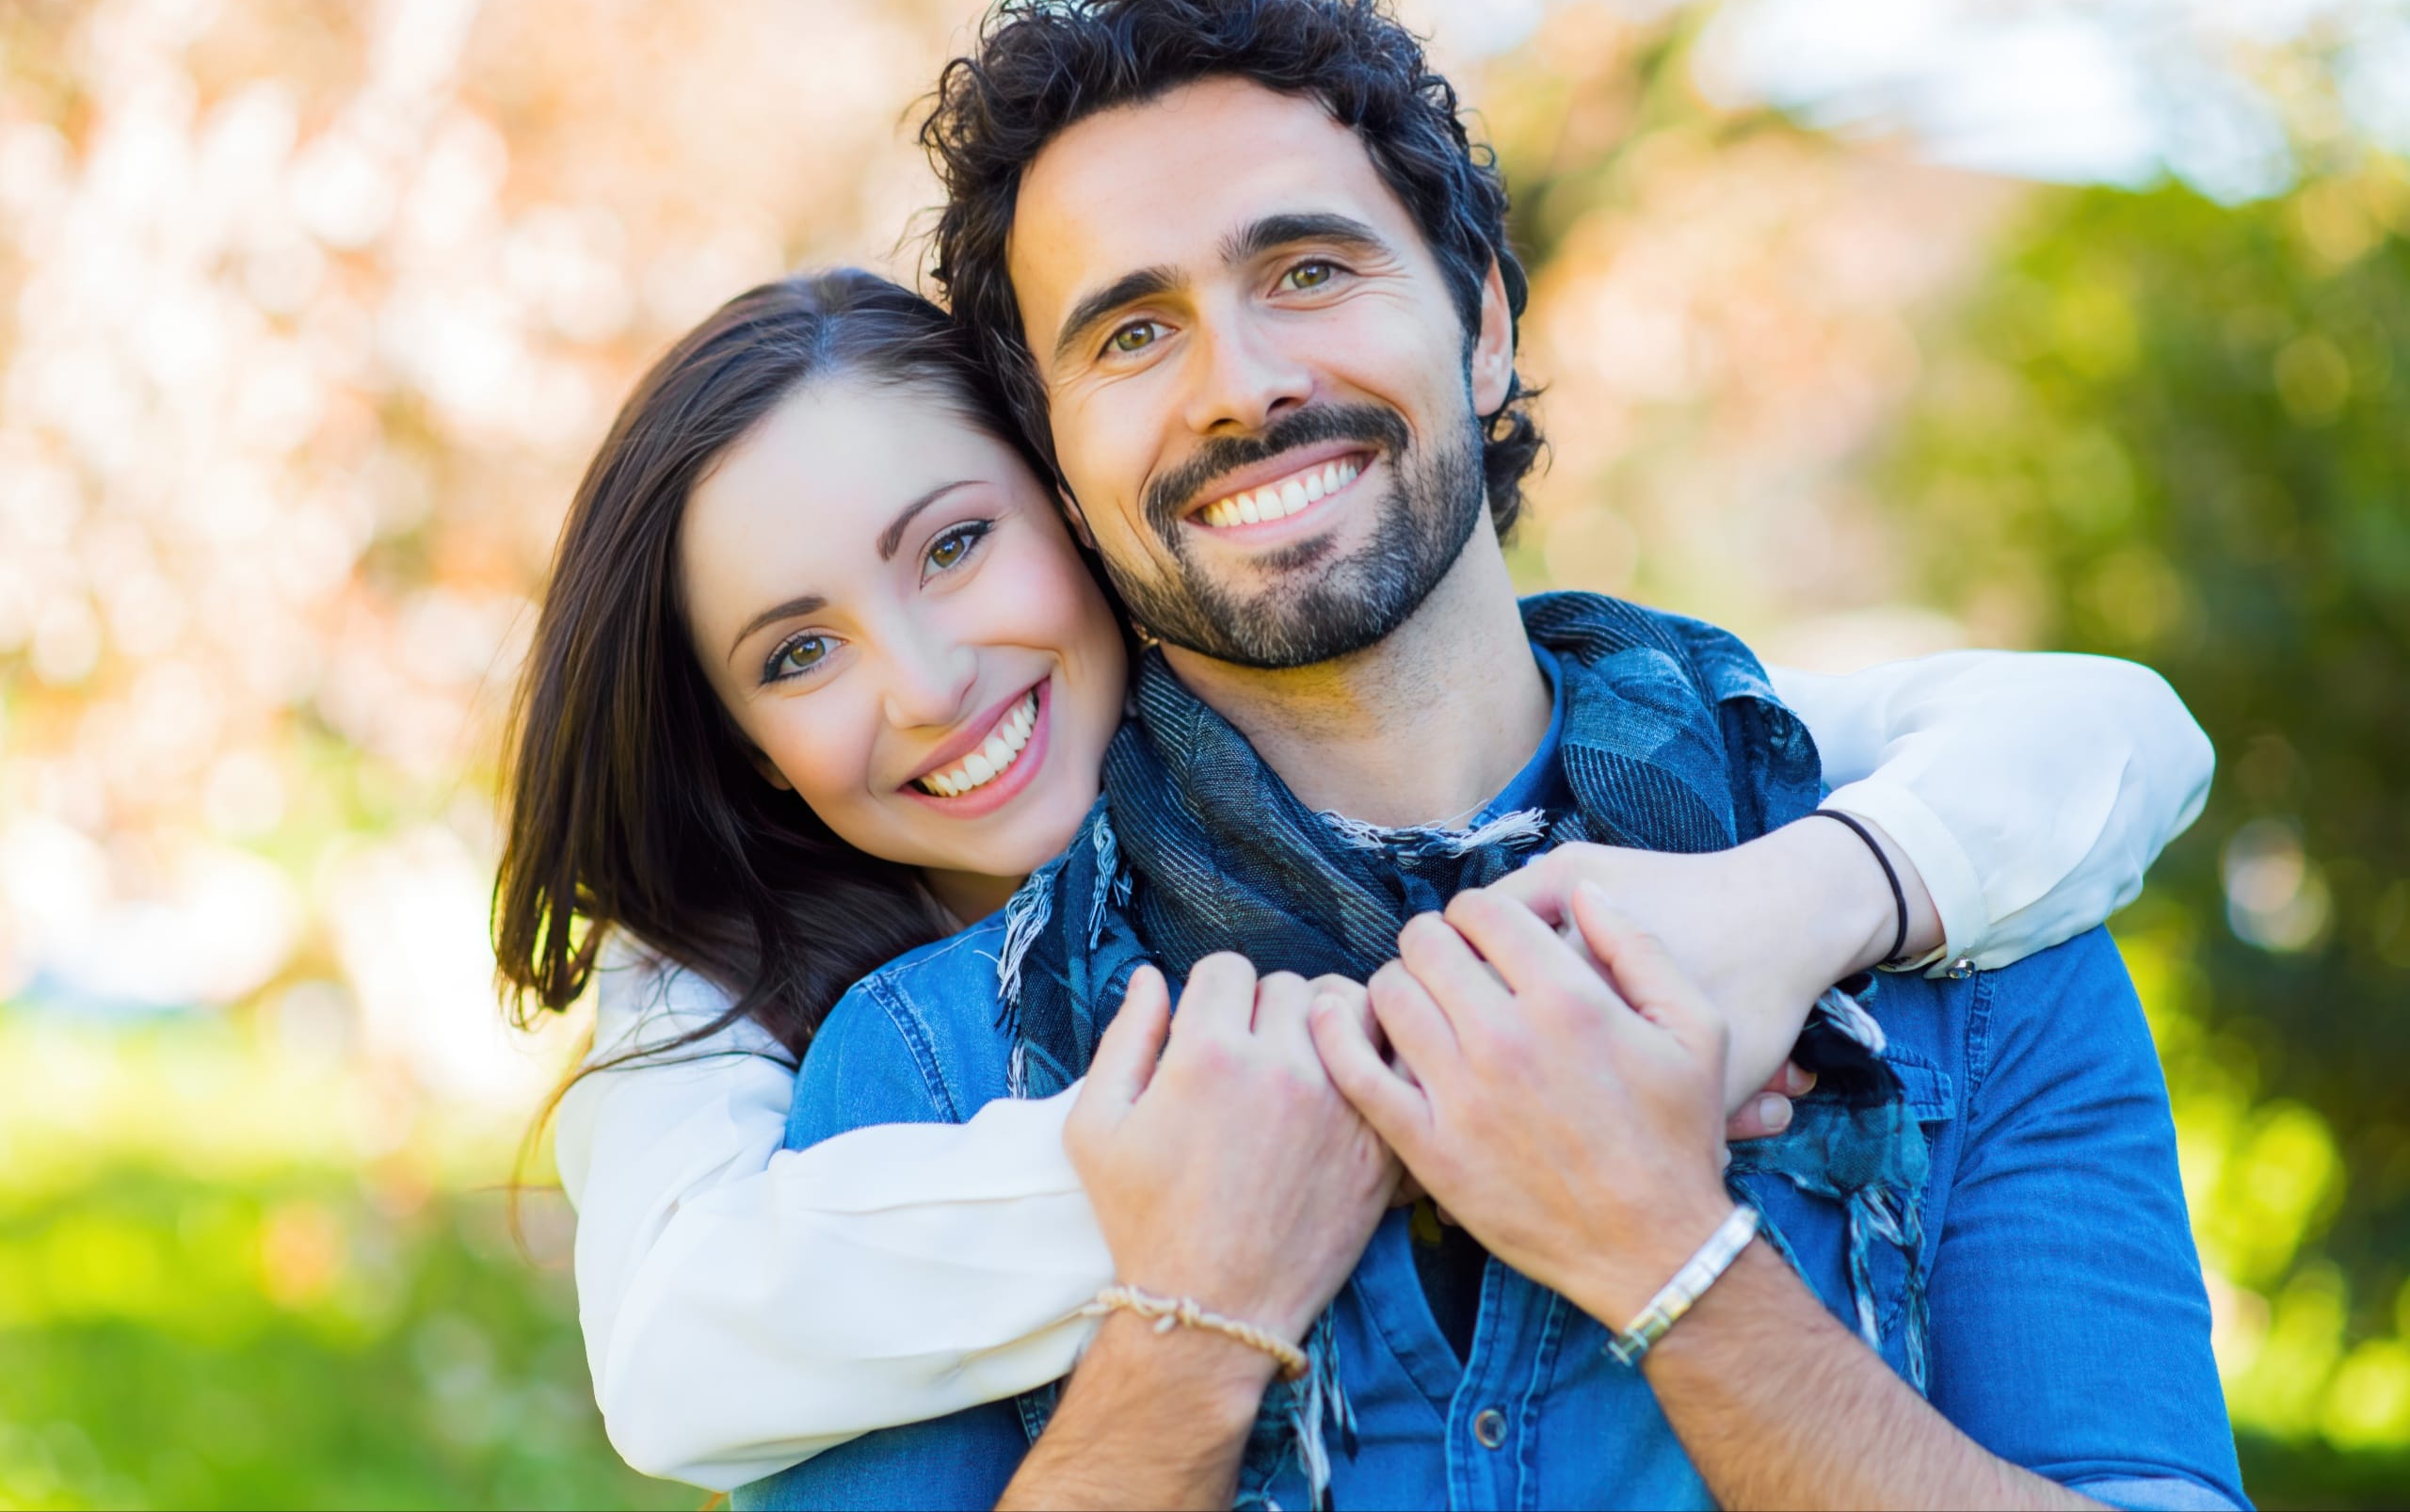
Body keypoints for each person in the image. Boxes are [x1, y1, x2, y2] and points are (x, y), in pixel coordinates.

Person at [726, 0, 2245, 1512]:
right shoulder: (932, 1069)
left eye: (1307, 269)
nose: (1238, 382)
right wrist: (1189, 1338)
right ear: (1058, 468)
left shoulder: (1962, 944)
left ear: (1486, 324)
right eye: (1132, 332)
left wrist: (1668, 1257)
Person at [513, 275, 2212, 1494]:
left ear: (1078, 503)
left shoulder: (1727, 804)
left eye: (956, 545)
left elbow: (2078, 728)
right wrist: (1255, 1215)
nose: (925, 682)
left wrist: (1804, 910)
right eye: (799, 651)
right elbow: (677, 1354)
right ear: (738, 747)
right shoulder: (828, 1042)